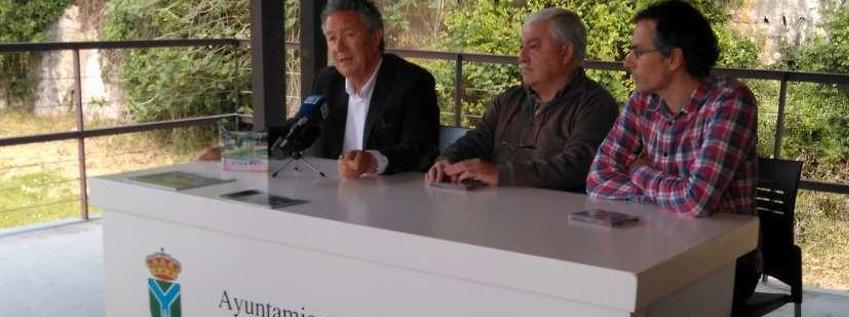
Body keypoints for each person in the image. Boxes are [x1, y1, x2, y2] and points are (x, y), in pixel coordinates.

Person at [585, 0, 760, 300]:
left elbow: (695, 201)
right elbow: (597, 179)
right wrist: (666, 197)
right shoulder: (643, 101)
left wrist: (638, 170)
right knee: (592, 279)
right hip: (651, 245)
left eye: (639, 52)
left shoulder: (730, 102)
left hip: (723, 263)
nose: (628, 62)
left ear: (673, 59)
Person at [425, 8, 618, 192]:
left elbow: (578, 165)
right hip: (496, 211)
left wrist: (501, 174)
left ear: (566, 52)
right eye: (521, 47)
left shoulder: (597, 105)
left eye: (533, 47)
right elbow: (477, 140)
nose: (521, 57)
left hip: (558, 218)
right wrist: (446, 161)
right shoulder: (509, 100)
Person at [314, 0, 440, 179]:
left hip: (391, 199)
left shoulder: (412, 82)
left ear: (375, 38)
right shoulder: (327, 81)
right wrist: (263, 141)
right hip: (331, 195)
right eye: (332, 38)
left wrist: (373, 161)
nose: (339, 47)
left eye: (349, 35)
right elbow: (301, 126)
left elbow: (422, 150)